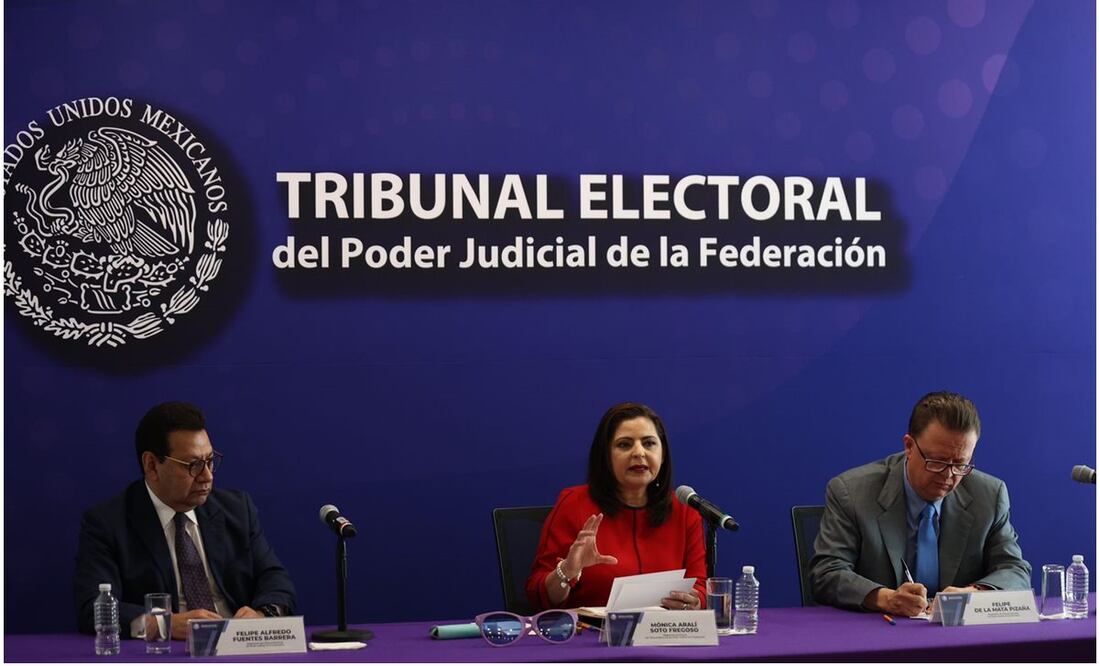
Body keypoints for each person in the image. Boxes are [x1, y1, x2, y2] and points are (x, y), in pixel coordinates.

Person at [74, 402, 296, 638]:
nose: (207, 476)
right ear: (151, 465)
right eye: (193, 465)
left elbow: (276, 579)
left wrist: (262, 616)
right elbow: (93, 609)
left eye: (210, 461)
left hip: (237, 643)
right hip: (167, 649)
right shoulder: (108, 523)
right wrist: (163, 625)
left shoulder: (237, 509)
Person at [809, 391, 1031, 616]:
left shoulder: (990, 495)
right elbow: (826, 573)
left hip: (956, 632)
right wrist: (886, 598)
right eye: (937, 461)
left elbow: (1015, 570)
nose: (948, 475)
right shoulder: (851, 492)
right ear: (909, 446)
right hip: (880, 629)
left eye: (960, 464)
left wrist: (975, 593)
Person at [525, 402, 707, 611]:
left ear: (663, 454)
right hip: (591, 631)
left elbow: (699, 586)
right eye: (624, 444)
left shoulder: (684, 510)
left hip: (664, 629)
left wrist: (695, 601)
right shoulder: (574, 504)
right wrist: (567, 571)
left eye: (649, 443)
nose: (639, 452)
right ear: (606, 456)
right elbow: (537, 595)